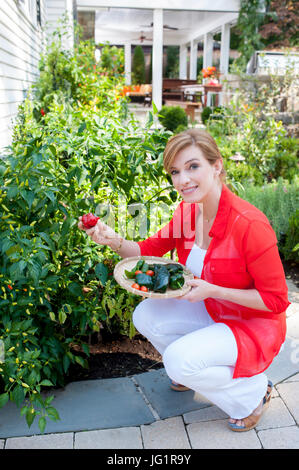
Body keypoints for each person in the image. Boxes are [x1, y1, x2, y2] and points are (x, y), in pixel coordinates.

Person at [78, 128, 290, 432]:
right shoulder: (189, 211)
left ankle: (253, 393)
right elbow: (146, 251)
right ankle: (194, 369)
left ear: (216, 166)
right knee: (146, 314)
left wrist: (213, 290)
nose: (182, 180)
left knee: (178, 360)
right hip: (212, 308)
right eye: (175, 171)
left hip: (251, 322)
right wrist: (112, 240)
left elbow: (276, 301)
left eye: (193, 167)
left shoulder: (250, 225)